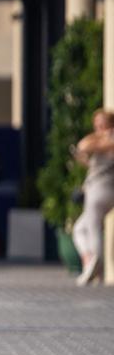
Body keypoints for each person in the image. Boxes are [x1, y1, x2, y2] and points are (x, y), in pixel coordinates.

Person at [71, 109, 114, 286]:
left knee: (93, 227)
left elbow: (84, 145)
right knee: (80, 228)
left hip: (100, 190)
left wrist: (99, 138)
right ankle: (91, 262)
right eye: (96, 125)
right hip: (101, 189)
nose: (98, 129)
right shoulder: (103, 140)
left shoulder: (109, 138)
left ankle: (96, 262)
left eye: (102, 124)